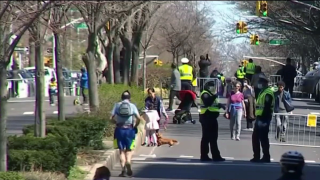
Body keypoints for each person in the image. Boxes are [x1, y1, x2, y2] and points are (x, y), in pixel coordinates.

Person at [111, 90, 143, 177]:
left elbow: (111, 117)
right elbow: (139, 118)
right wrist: (135, 125)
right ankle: (128, 161)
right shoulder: (132, 106)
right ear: (129, 98)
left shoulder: (117, 105)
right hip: (130, 130)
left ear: (121, 97)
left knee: (121, 151)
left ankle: (123, 171)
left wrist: (115, 123)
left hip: (119, 130)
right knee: (129, 150)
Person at [199, 79, 226, 161]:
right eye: (211, 85)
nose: (213, 87)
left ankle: (215, 155)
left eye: (213, 85)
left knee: (213, 138)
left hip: (212, 118)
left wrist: (220, 105)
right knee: (207, 137)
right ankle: (205, 155)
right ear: (207, 86)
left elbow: (213, 104)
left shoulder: (210, 94)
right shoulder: (205, 94)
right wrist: (214, 95)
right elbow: (207, 102)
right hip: (207, 117)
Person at [250, 74, 274, 163]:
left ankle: (266, 156)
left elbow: (267, 107)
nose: (259, 84)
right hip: (259, 118)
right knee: (255, 138)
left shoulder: (268, 93)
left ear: (265, 83)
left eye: (260, 82)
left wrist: (263, 116)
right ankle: (256, 156)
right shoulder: (262, 92)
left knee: (263, 138)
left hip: (264, 118)